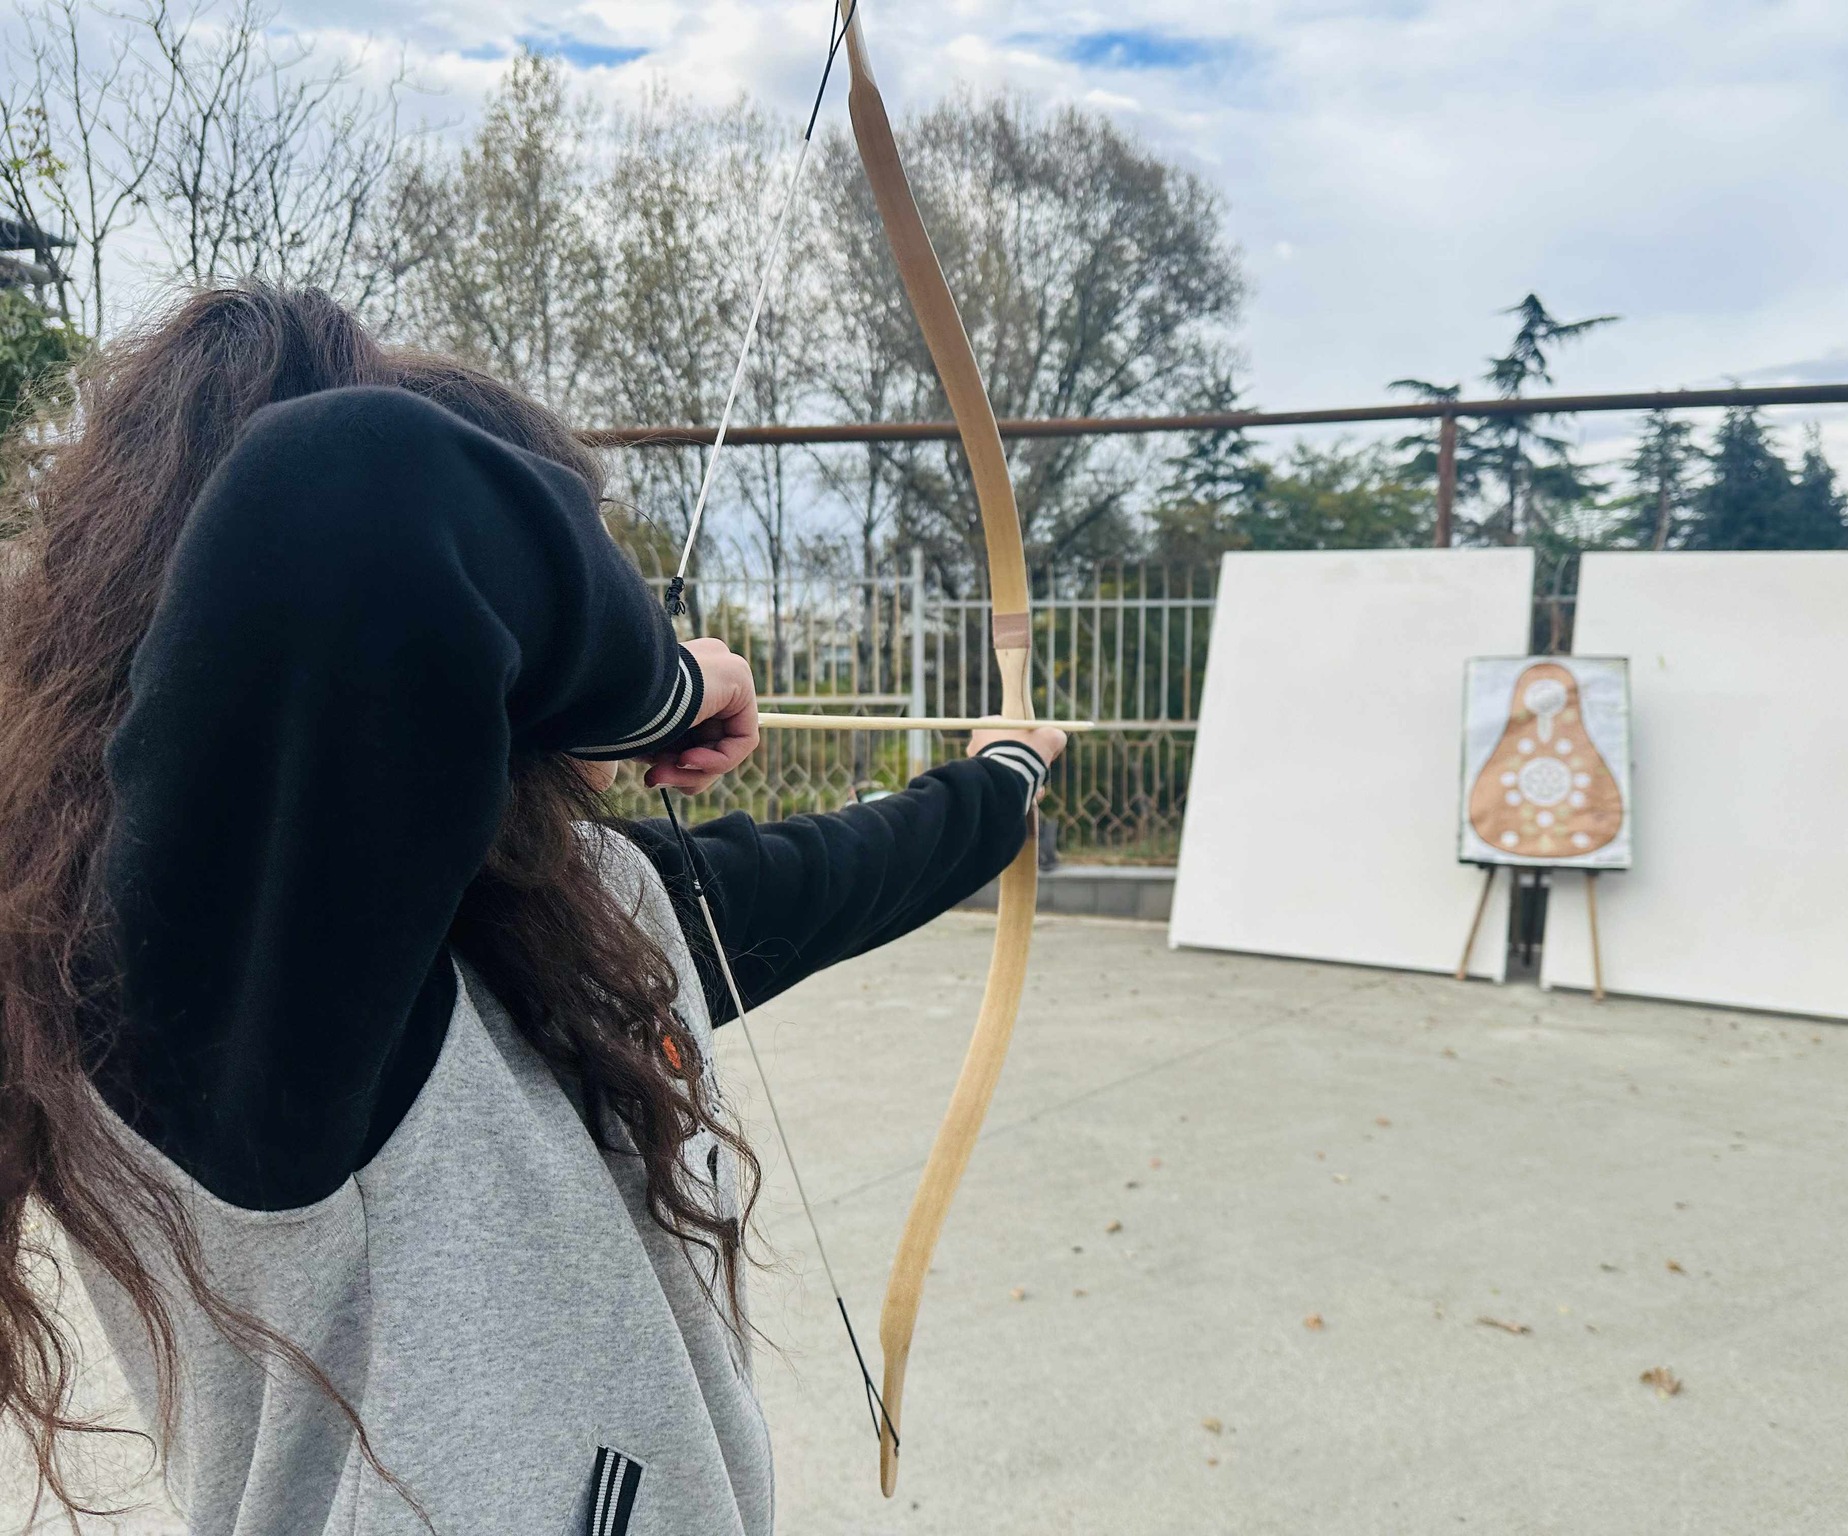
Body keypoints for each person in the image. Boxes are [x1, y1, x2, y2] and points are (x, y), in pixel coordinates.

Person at [0, 286, 1066, 1534]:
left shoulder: (571, 921)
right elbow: (356, 497)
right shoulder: (215, 979)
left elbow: (848, 868)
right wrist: (662, 687)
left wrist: (1004, 775)